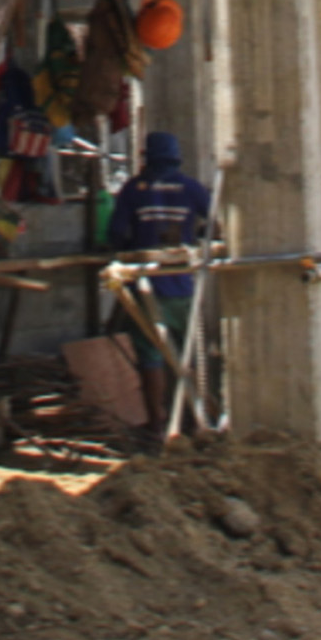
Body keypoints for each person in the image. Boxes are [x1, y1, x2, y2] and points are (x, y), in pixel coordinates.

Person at [104, 133, 213, 431]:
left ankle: (158, 423)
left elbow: (115, 234)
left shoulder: (133, 190)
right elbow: (216, 223)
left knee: (151, 356)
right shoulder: (192, 189)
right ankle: (195, 421)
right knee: (188, 354)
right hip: (183, 286)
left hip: (146, 287)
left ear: (145, 156)